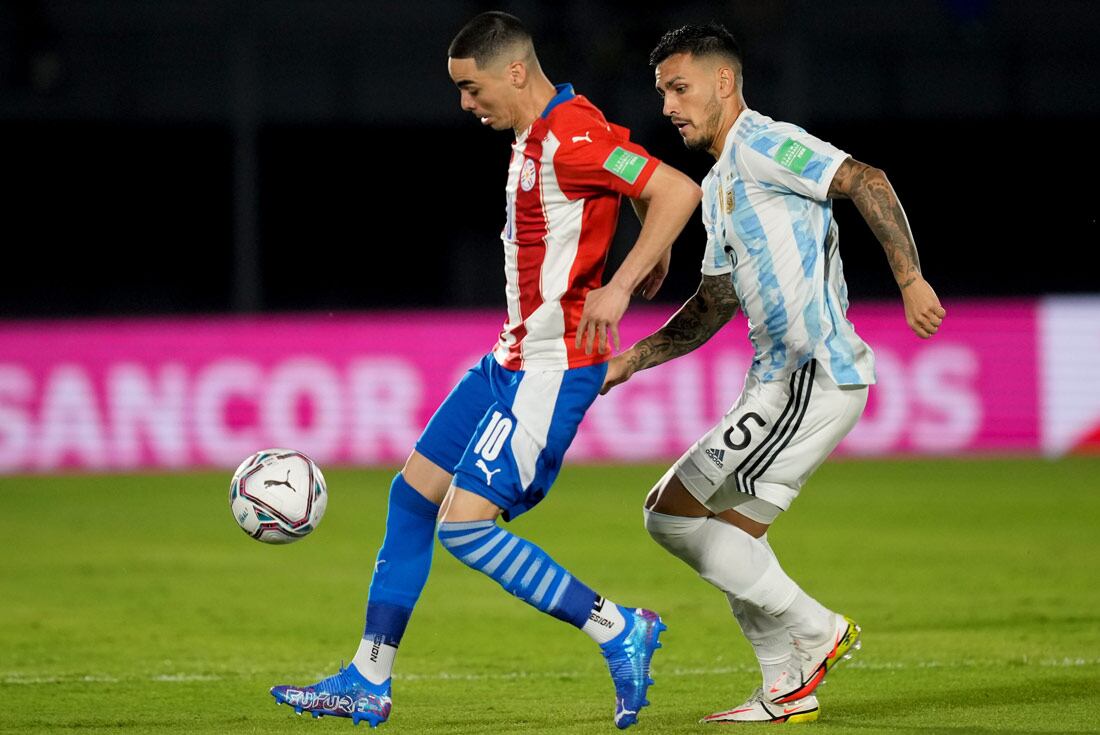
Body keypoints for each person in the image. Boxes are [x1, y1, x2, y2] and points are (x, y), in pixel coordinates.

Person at [270, 11, 702, 730]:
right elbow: (629, 177)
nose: (465, 105)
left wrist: (623, 281)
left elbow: (676, 190)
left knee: (466, 528)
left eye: (471, 89)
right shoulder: (558, 125)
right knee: (411, 496)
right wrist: (644, 243)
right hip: (505, 360)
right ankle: (367, 679)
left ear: (514, 71)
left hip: (552, 368)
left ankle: (617, 626)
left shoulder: (570, 135)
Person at [601, 23, 946, 725]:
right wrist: (630, 362)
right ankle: (787, 684)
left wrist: (909, 277)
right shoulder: (721, 181)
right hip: (782, 384)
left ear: (724, 82)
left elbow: (863, 178)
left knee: (668, 514)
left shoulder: (763, 144)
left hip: (808, 377)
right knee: (727, 536)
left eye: (680, 87)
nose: (668, 105)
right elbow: (713, 302)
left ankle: (816, 628)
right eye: (662, 91)